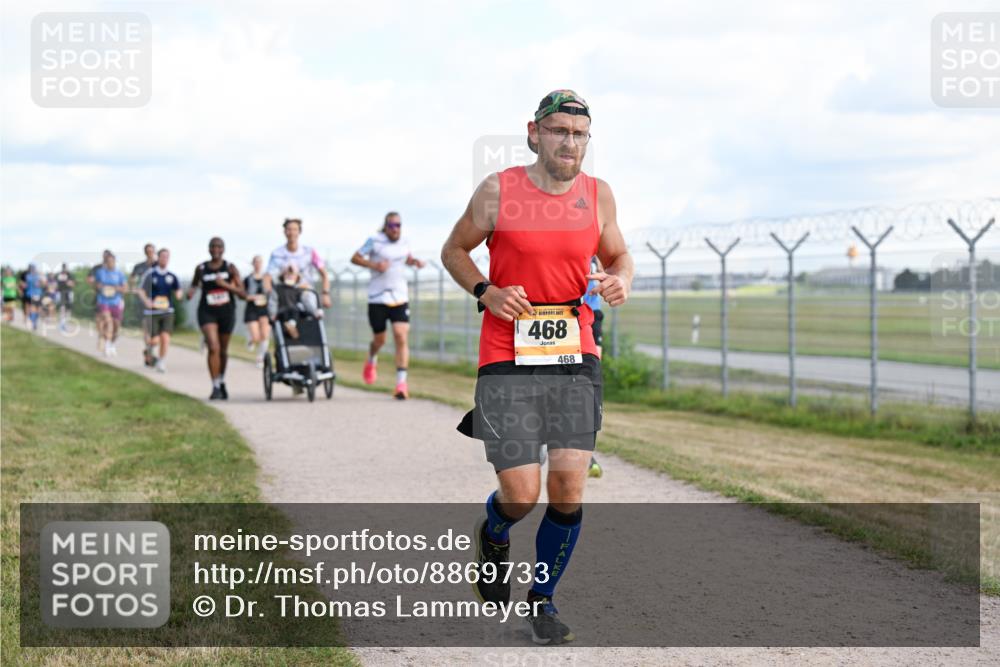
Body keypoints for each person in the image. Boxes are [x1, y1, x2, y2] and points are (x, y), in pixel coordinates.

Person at [441, 90, 633, 645]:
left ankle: (543, 600)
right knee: (522, 494)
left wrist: (622, 279)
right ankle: (495, 529)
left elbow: (619, 255)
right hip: (506, 353)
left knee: (569, 485)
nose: (568, 142)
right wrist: (486, 290)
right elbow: (455, 249)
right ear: (534, 133)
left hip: (575, 352)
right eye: (557, 131)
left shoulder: (598, 196)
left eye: (578, 134)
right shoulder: (499, 190)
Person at [350, 211, 426, 399]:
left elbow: (405, 258)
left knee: (401, 336)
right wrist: (375, 266)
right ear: (385, 226)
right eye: (392, 225)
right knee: (380, 340)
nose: (395, 229)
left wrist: (414, 261)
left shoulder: (405, 242)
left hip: (399, 296)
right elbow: (355, 258)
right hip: (377, 298)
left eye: (398, 225)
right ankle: (372, 358)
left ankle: (401, 384)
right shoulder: (374, 241)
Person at [187, 237, 244, 400]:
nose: (215, 249)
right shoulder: (201, 268)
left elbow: (242, 294)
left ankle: (221, 379)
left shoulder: (230, 268)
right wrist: (190, 292)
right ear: (208, 249)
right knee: (213, 347)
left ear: (223, 249)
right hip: (207, 311)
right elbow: (194, 284)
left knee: (223, 350)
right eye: (212, 246)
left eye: (219, 246)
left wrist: (226, 285)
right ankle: (215, 386)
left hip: (226, 312)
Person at [264, 218, 331, 309]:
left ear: (299, 232)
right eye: (289, 229)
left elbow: (324, 274)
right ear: (284, 232)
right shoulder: (276, 253)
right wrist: (269, 294)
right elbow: (268, 277)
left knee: (311, 307)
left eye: (295, 229)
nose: (292, 232)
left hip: (306, 292)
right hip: (284, 295)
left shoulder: (309, 252)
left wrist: (325, 293)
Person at [138, 248, 183, 373]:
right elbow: (141, 290)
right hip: (153, 312)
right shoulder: (150, 274)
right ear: (158, 258)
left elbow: (178, 289)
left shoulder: (171, 276)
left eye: (167, 257)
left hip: (167, 311)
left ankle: (161, 361)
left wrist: (179, 294)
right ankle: (148, 350)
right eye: (162, 256)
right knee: (154, 340)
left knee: (165, 337)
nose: (165, 259)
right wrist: (147, 301)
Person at [581, 256, 605, 479]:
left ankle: (585, 453)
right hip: (556, 311)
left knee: (589, 380)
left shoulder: (596, 235)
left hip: (591, 313)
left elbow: (616, 262)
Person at [93, 253, 127, 355]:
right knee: (108, 322)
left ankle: (112, 344)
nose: (110, 263)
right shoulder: (100, 272)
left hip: (116, 302)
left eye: (112, 261)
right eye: (108, 262)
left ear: (115, 262)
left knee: (117, 326)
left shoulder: (119, 274)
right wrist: (100, 287)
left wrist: (117, 288)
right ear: (105, 262)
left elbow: (125, 288)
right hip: (103, 301)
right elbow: (95, 284)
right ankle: (107, 345)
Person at [131, 243, 158, 366]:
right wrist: (134, 289)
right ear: (145, 252)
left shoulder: (159, 265)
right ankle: (149, 353)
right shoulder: (139, 267)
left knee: (157, 331)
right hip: (143, 301)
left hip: (158, 301)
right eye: (148, 251)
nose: (150, 253)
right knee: (146, 328)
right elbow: (132, 280)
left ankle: (149, 349)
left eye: (152, 251)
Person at [242, 255, 271, 368]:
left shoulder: (267, 278)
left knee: (265, 334)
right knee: (256, 336)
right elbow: (242, 293)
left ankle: (260, 358)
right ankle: (251, 340)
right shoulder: (248, 279)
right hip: (252, 308)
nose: (258, 264)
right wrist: (250, 297)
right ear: (253, 264)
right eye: (256, 262)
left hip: (264, 308)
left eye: (260, 262)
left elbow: (271, 292)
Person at [55, 263, 75, 331]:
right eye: (64, 268)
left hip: (69, 293)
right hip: (61, 293)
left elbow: (72, 284)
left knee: (68, 310)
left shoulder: (70, 275)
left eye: (65, 268)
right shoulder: (58, 275)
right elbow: (56, 284)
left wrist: (69, 283)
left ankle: (66, 323)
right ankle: (62, 324)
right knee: (62, 308)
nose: (65, 269)